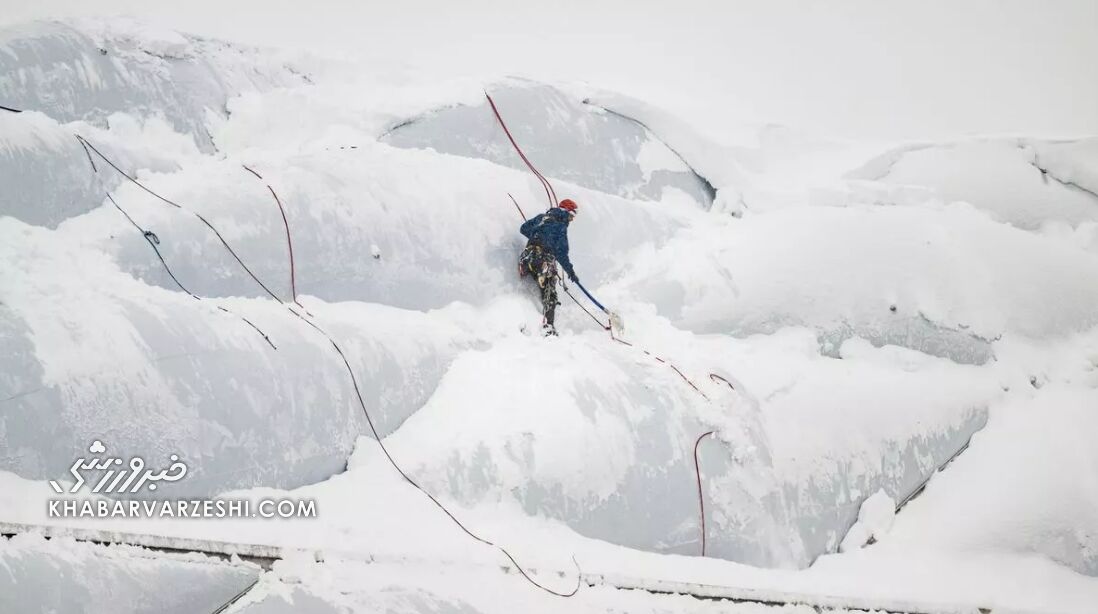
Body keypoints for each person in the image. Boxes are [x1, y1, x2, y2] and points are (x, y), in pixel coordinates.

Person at [518, 199, 580, 336]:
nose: (571, 220)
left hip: (528, 257)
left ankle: (528, 317)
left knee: (537, 284)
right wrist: (571, 272)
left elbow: (523, 229)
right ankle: (548, 327)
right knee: (550, 294)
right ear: (566, 212)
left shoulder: (542, 218)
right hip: (543, 261)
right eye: (571, 216)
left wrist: (537, 236)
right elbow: (562, 254)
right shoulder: (561, 227)